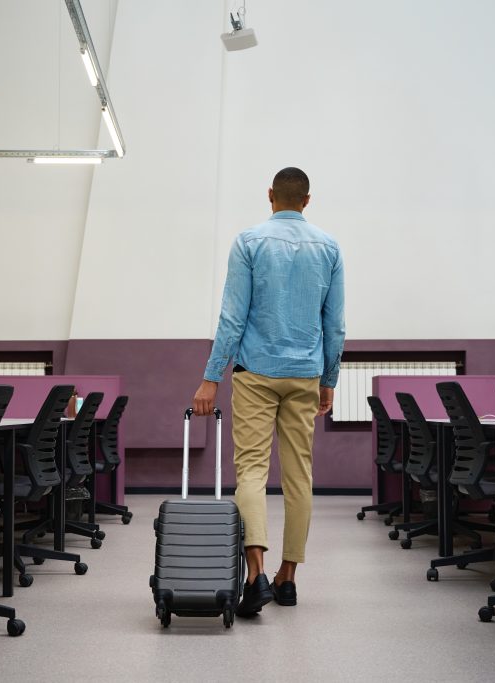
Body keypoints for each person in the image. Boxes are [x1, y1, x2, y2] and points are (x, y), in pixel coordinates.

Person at [192, 166, 345, 617]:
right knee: (300, 477)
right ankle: (288, 578)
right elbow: (334, 324)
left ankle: (255, 575)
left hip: (255, 373)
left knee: (252, 473)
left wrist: (210, 376)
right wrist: (329, 380)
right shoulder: (329, 247)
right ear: (307, 201)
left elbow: (232, 319)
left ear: (270, 196)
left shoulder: (249, 242)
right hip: (304, 375)